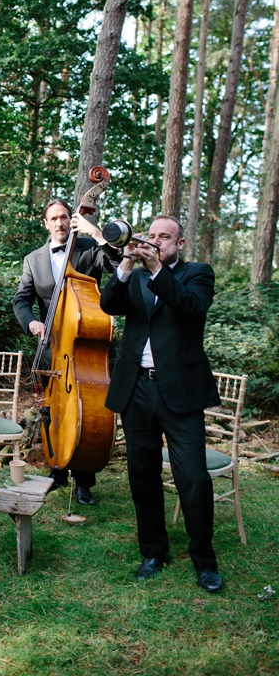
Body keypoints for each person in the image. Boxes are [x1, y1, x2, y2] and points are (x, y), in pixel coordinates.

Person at [99, 215, 222, 592]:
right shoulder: (134, 275)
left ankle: (204, 558)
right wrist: (124, 263)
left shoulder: (197, 273)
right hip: (136, 388)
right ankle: (153, 552)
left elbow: (191, 309)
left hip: (180, 391)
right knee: (142, 473)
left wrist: (156, 269)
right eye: (151, 236)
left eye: (164, 237)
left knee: (194, 479)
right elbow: (107, 305)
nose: (155, 242)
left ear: (179, 244)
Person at [12, 198, 120, 504]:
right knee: (54, 413)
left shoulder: (88, 248)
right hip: (51, 350)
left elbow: (117, 269)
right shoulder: (33, 260)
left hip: (83, 351)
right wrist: (32, 322)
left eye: (64, 217)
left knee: (85, 414)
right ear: (45, 223)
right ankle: (57, 469)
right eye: (54, 218)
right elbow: (21, 299)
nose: (60, 223)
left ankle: (84, 481)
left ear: (71, 220)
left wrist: (98, 235)